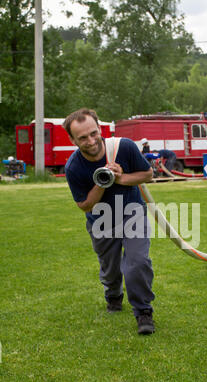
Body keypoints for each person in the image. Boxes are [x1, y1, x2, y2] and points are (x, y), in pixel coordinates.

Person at [63, 108, 155, 335]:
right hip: (101, 220)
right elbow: (84, 205)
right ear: (72, 139)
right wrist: (102, 182)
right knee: (110, 268)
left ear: (100, 129)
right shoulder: (73, 167)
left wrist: (120, 177)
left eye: (94, 133)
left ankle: (143, 311)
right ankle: (113, 295)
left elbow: (147, 174)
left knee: (137, 262)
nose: (91, 141)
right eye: (82, 138)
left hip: (132, 212)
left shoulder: (123, 147)